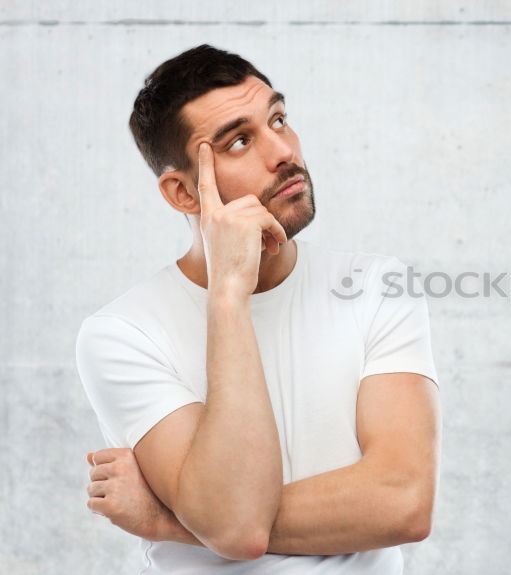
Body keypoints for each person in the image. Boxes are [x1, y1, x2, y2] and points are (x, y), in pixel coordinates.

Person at [75, 44, 441, 574]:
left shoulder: (378, 286)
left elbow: (403, 503)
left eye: (279, 119)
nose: (282, 152)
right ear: (182, 193)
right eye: (240, 141)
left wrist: (171, 519)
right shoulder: (123, 334)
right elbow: (236, 528)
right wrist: (228, 295)